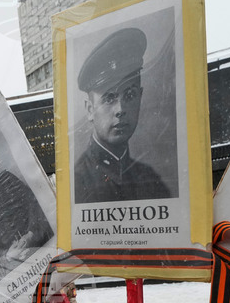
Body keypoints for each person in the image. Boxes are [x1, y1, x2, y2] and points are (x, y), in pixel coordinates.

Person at [73, 27, 170, 204]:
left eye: (130, 95)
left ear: (140, 97)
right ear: (89, 110)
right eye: (109, 98)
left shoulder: (152, 180)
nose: (121, 109)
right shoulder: (76, 184)